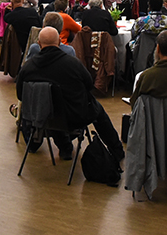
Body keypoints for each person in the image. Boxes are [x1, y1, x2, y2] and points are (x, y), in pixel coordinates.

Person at [15, 27, 126, 162]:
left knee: (53, 106)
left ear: (38, 43)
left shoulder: (28, 68)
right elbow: (89, 85)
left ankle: (65, 147)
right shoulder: (72, 64)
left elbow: (21, 96)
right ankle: (117, 150)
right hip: (74, 117)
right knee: (97, 110)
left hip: (40, 117)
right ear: (60, 42)